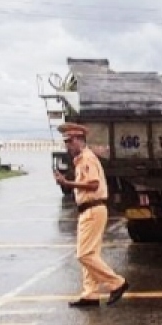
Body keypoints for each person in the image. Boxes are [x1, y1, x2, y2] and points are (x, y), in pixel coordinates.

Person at [53, 123, 129, 308]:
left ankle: (117, 283)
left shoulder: (87, 159)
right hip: (89, 209)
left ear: (79, 140)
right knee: (90, 253)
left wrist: (68, 183)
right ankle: (90, 294)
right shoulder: (82, 159)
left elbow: (93, 184)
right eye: (66, 142)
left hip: (93, 209)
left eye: (70, 142)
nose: (67, 146)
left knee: (84, 254)